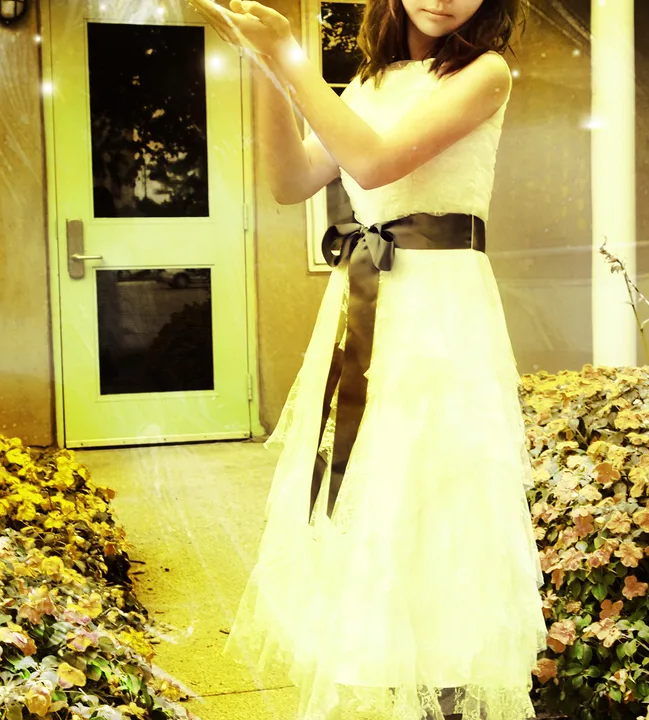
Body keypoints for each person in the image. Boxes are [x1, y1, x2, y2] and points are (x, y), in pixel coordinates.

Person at [189, 1, 547, 718]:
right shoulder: (368, 85)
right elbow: (291, 180)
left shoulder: (485, 74)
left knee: (440, 487)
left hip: (442, 307)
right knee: (374, 488)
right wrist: (265, 67)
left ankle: (448, 690)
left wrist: (289, 55)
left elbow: (374, 162)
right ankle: (397, 680)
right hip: (369, 299)